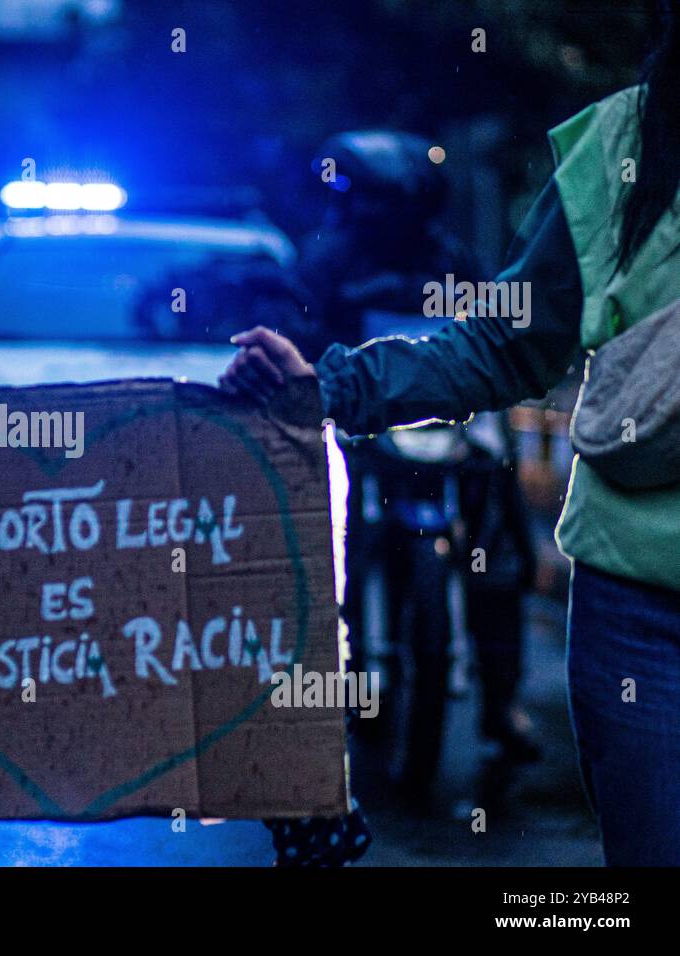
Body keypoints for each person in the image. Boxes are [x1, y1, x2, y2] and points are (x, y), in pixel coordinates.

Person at [220, 0, 680, 865]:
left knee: (497, 523)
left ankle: (500, 694)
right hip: (639, 606)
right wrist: (325, 384)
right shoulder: (625, 149)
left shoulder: (442, 251)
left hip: (539, 523)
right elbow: (502, 341)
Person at [300, 130, 541, 775]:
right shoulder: (326, 262)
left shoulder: (453, 258)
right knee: (317, 547)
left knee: (500, 539)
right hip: (362, 440)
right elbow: (306, 337)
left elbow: (501, 331)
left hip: (449, 433)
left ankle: (501, 703)